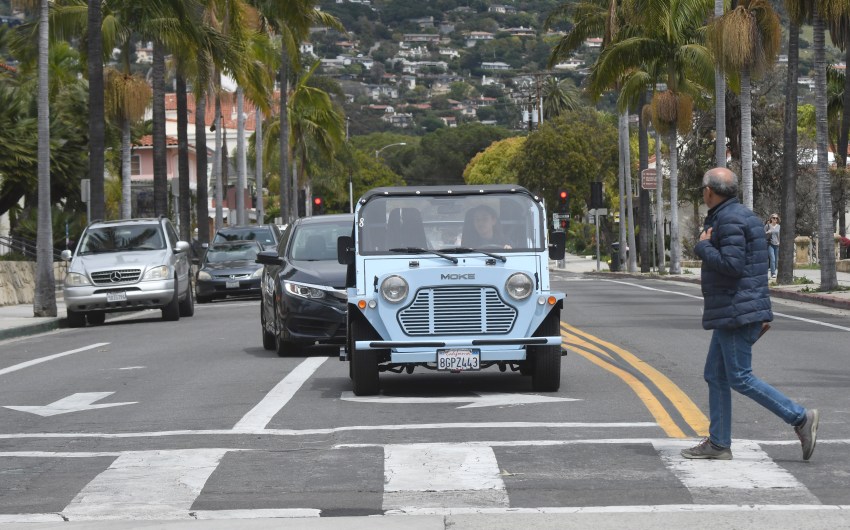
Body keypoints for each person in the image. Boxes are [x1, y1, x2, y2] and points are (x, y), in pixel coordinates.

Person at [681, 167, 819, 461]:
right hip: (737, 308)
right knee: (715, 375)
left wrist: (703, 246)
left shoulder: (729, 220)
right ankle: (719, 443)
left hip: (736, 310)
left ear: (710, 191)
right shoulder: (740, 215)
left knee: (740, 377)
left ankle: (800, 417)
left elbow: (732, 265)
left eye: (703, 189)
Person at [764, 213, 780, 278]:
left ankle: (774, 271)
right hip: (770, 244)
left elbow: (780, 236)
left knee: (776, 260)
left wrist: (780, 242)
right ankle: (773, 273)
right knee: (772, 259)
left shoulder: (779, 226)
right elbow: (762, 234)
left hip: (777, 244)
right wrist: (767, 232)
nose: (775, 219)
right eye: (773, 218)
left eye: (776, 218)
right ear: (771, 219)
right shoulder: (767, 226)